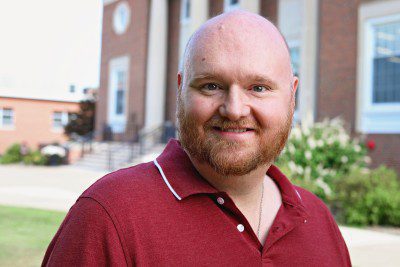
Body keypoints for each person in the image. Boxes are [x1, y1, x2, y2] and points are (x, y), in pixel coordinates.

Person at [42, 11, 351, 266]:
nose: (234, 109)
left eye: (258, 87)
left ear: (292, 96)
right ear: (181, 90)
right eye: (211, 86)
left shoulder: (318, 219)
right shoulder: (109, 216)